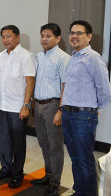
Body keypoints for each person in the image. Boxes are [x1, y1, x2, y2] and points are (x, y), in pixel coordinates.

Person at [61, 20, 111, 196]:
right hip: (69, 114)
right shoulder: (74, 57)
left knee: (84, 160)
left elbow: (104, 89)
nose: (74, 36)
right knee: (75, 158)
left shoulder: (93, 58)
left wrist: (95, 111)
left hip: (83, 117)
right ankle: (79, 191)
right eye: (72, 32)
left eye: (79, 33)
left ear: (89, 37)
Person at [0, 25, 36, 188]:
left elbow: (30, 83)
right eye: (3, 37)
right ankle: (6, 169)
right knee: (3, 141)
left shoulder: (27, 56)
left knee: (18, 143)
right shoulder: (1, 56)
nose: (5, 40)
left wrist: (26, 105)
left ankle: (17, 174)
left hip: (18, 107)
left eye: (9, 36)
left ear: (17, 37)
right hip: (3, 105)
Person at [30, 23, 70, 196]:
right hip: (38, 104)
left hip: (54, 105)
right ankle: (48, 174)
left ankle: (55, 183)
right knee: (43, 143)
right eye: (42, 36)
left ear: (58, 38)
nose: (44, 39)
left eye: (48, 36)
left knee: (55, 147)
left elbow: (65, 86)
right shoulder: (39, 56)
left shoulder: (63, 58)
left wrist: (60, 110)